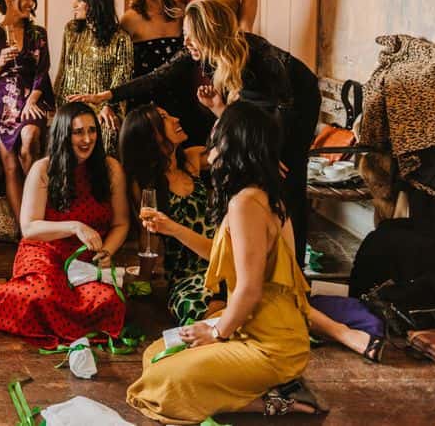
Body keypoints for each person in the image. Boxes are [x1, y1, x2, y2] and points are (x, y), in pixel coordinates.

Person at [126, 101, 323, 422]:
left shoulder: (247, 203)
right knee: (156, 354)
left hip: (270, 344)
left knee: (160, 385)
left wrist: (216, 333)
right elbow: (229, 261)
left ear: (234, 140)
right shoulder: (254, 194)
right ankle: (262, 387)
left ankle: (275, 401)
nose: (211, 136)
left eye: (219, 129)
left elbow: (249, 290)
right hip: (255, 330)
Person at [85, 0, 320, 266]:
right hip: (255, 104)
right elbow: (159, 75)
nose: (185, 43)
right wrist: (111, 94)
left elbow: (285, 105)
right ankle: (248, 255)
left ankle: (294, 269)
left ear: (210, 33)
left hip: (296, 101)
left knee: (286, 180)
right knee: (248, 170)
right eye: (184, 35)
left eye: (190, 36)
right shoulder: (202, 53)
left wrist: (270, 151)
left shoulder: (257, 51)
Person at [0, 102, 130, 347]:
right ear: (64, 134)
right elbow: (29, 228)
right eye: (78, 132)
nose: (87, 139)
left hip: (86, 258)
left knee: (109, 301)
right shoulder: (43, 169)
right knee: (42, 295)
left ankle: (57, 320)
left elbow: (121, 224)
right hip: (43, 251)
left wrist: (106, 252)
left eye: (92, 130)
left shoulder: (110, 168)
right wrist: (74, 226)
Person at [118, 105, 221, 324]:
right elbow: (150, 235)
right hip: (187, 276)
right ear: (150, 135)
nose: (175, 118)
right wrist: (144, 278)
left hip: (223, 262)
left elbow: (231, 147)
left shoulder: (192, 159)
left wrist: (218, 108)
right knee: (201, 311)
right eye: (164, 118)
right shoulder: (145, 183)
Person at [0, 0, 54, 223]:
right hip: (0, 105)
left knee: (29, 141)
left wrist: (32, 100)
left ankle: (39, 209)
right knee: (9, 165)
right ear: (9, 0)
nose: (31, 3)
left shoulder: (38, 34)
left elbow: (43, 71)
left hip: (31, 97)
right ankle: (25, 230)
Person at [55, 0, 133, 158]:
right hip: (72, 107)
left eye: (80, 0)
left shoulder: (120, 38)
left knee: (107, 132)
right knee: (63, 137)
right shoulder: (71, 31)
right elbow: (63, 70)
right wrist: (59, 108)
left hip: (104, 108)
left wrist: (108, 106)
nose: (74, 4)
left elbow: (121, 78)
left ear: (94, 3)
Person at [120, 0, 194, 133]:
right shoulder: (129, 19)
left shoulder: (181, 11)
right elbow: (119, 64)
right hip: (146, 99)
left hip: (181, 95)